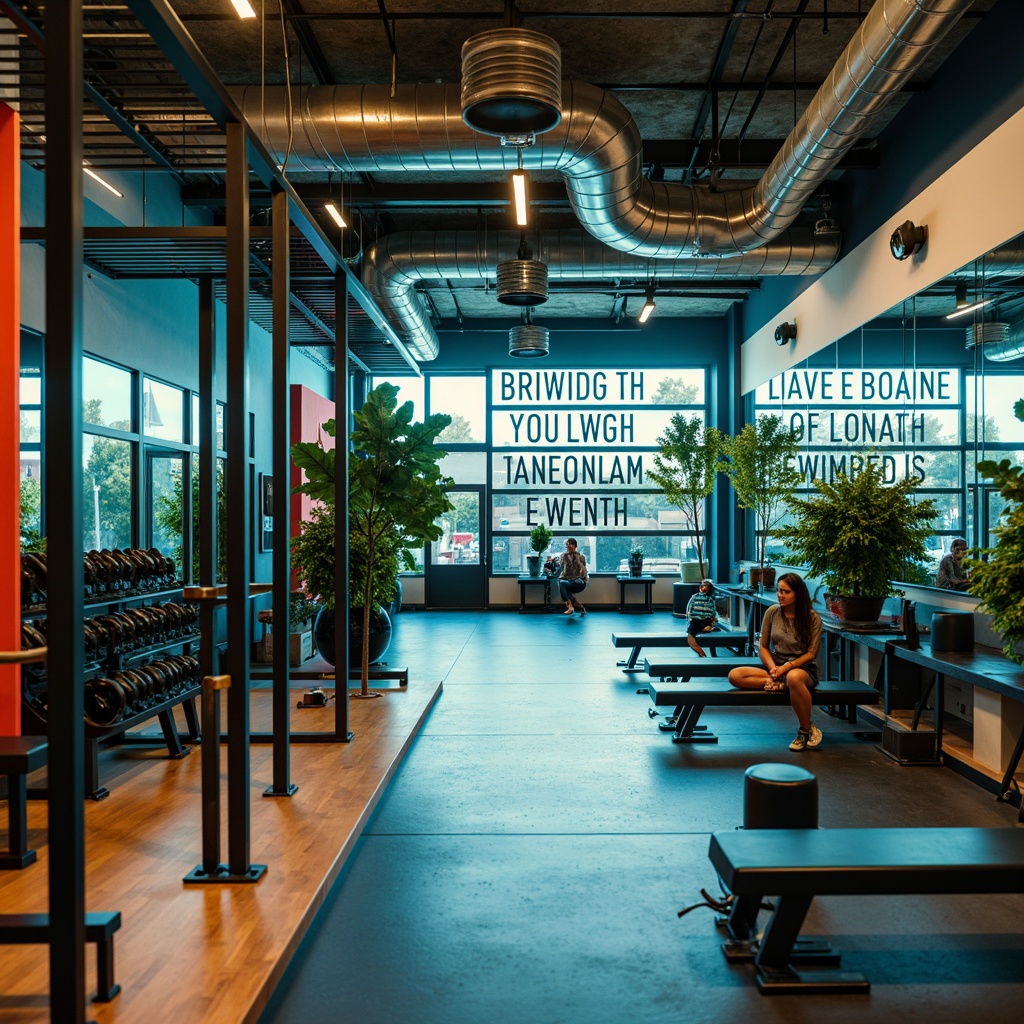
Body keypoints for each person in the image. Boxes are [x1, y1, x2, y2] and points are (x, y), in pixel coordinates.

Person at [728, 573, 824, 751]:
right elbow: (763, 647)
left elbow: (811, 654)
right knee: (735, 675)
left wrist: (786, 668)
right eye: (779, 591)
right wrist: (774, 669)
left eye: (785, 592)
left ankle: (804, 730)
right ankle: (779, 683)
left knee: (794, 678)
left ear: (798, 594)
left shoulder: (812, 618)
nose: (780, 595)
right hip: (776, 666)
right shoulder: (772, 612)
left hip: (802, 668)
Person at [685, 578, 718, 657]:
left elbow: (713, 611)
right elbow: (689, 609)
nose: (704, 588)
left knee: (692, 635)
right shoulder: (696, 597)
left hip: (703, 621)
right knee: (691, 634)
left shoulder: (709, 599)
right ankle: (701, 652)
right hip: (698, 620)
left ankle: (706, 653)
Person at [556, 537, 588, 616]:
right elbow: (558, 567)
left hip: (579, 582)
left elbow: (583, 573)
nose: (568, 547)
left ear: (574, 546)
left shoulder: (581, 557)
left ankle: (570, 607)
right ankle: (580, 607)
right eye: (567, 545)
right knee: (563, 584)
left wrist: (578, 561)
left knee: (562, 583)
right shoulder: (564, 556)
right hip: (567, 581)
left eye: (569, 545)